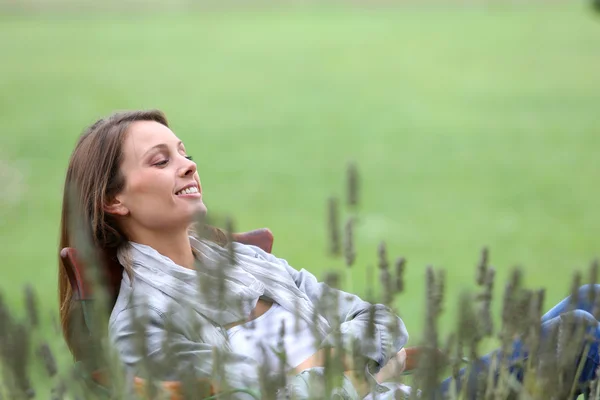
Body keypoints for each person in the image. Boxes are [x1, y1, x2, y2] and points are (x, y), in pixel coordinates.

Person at [58, 110, 600, 400]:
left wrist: (329, 362)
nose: (188, 165)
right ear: (114, 199)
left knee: (592, 300)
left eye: (185, 153)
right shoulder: (140, 324)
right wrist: (352, 365)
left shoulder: (247, 263)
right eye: (161, 160)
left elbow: (383, 321)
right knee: (582, 331)